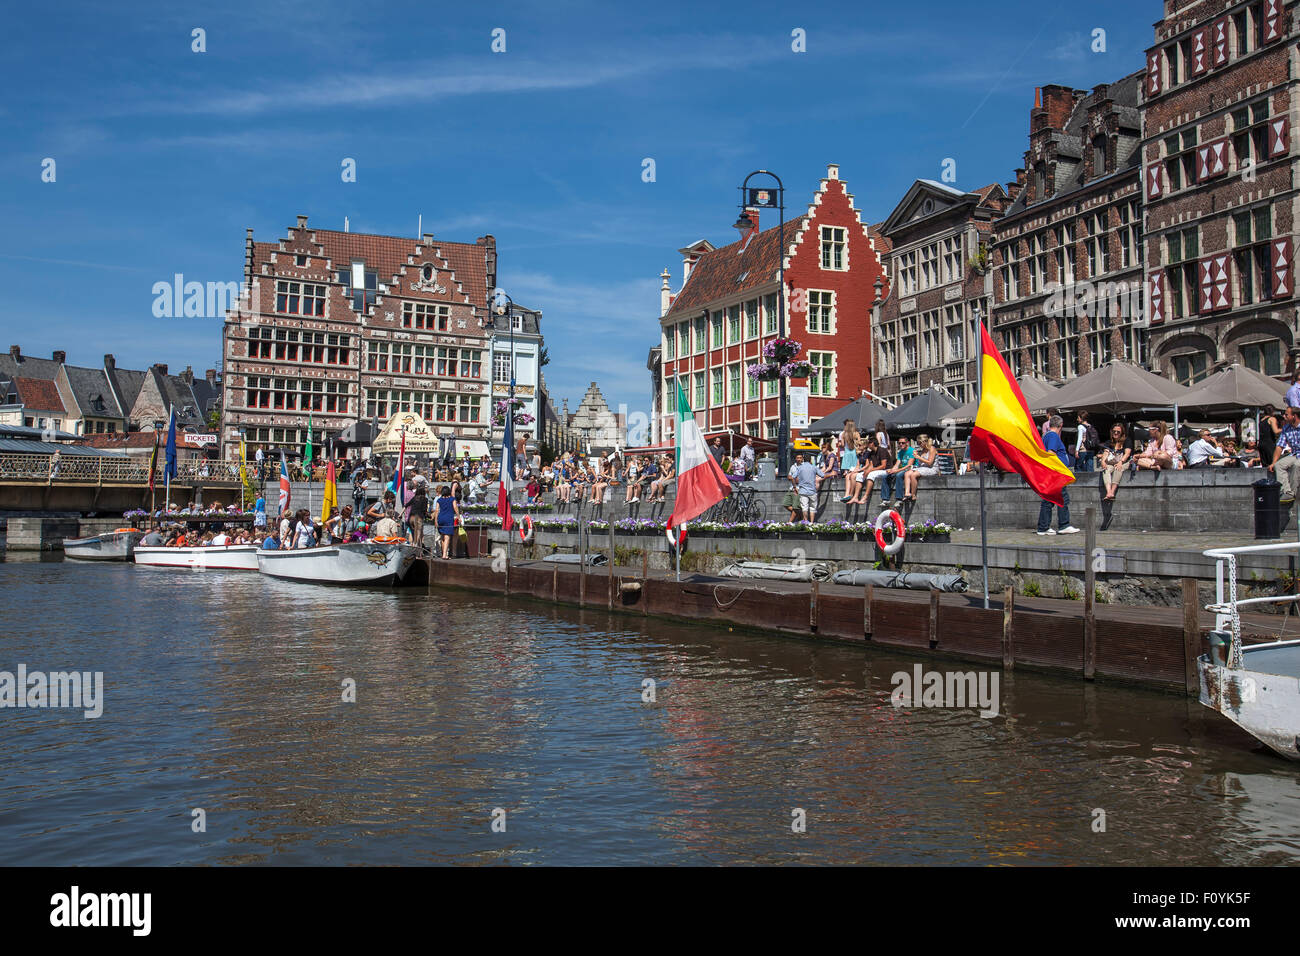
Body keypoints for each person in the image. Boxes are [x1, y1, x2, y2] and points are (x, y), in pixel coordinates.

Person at [1036, 415, 1080, 535]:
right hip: (1055, 473)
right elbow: (1051, 453)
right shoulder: (1053, 436)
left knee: (1048, 500)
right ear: (1061, 425)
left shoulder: (1045, 436)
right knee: (1063, 498)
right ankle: (1063, 525)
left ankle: (1043, 527)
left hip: (1051, 473)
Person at [1269, 406, 1300, 505]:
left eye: (1286, 415)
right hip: (1295, 454)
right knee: (1279, 465)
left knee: (1296, 465)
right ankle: (1286, 492)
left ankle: (1292, 493)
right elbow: (1280, 446)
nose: (1284, 416)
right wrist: (1273, 463)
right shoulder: (1286, 428)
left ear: (1294, 416)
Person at [902, 434, 940, 502]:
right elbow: (921, 463)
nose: (919, 445)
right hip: (923, 468)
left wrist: (918, 457)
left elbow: (929, 462)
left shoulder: (932, 448)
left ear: (924, 442)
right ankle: (907, 493)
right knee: (907, 473)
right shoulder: (922, 450)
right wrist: (916, 456)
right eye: (917, 443)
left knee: (913, 475)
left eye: (919, 443)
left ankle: (913, 495)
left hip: (932, 468)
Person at [1100, 424, 1132, 500]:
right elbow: (1105, 453)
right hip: (1112, 462)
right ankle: (1109, 492)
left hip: (1124, 462)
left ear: (1122, 433)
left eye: (1118, 432)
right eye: (1114, 431)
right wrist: (1103, 461)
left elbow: (1127, 453)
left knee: (1118, 469)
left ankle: (1112, 491)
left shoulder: (1127, 440)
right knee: (1106, 469)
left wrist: (1121, 462)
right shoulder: (1109, 442)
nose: (1116, 433)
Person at [788, 452, 820, 521]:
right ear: (810, 460)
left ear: (803, 459)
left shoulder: (800, 468)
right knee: (812, 508)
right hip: (812, 490)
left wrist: (795, 486)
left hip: (803, 491)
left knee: (804, 507)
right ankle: (811, 522)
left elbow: (793, 477)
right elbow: (822, 475)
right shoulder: (814, 467)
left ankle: (806, 521)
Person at [883, 437, 914, 506]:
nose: (900, 444)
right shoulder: (900, 452)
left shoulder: (912, 450)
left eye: (903, 443)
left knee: (898, 475)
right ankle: (885, 499)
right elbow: (897, 464)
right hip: (902, 469)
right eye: (899, 443)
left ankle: (899, 499)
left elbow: (909, 465)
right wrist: (892, 470)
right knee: (885, 475)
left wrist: (897, 470)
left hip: (910, 469)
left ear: (907, 443)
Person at [434, 485, 460, 559]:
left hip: (440, 518)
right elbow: (455, 507)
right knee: (447, 537)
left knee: (442, 537)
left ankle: (444, 553)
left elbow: (436, 510)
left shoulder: (439, 500)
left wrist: (436, 520)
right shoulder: (452, 499)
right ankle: (445, 555)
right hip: (448, 518)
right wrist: (458, 516)